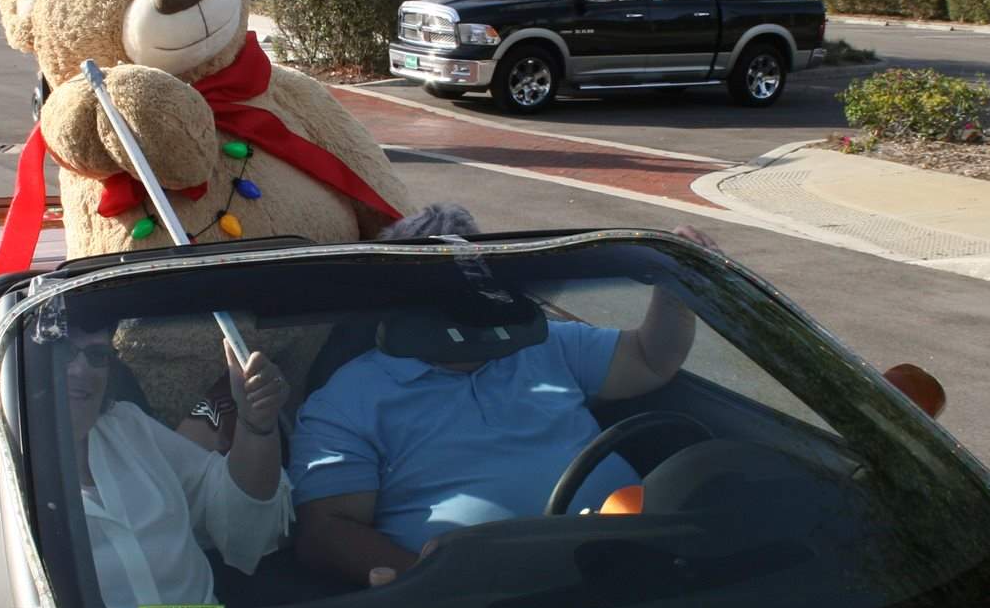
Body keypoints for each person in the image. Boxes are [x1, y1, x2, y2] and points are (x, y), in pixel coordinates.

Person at [288, 218, 707, 587]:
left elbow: (650, 360)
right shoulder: (347, 399)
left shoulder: (544, 343)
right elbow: (326, 531)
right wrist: (425, 580)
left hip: (650, 559)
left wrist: (677, 288)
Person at [0, 320, 294, 608]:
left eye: (97, 355)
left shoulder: (127, 426)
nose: (82, 369)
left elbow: (242, 526)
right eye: (60, 350)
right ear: (5, 366)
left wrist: (256, 428)